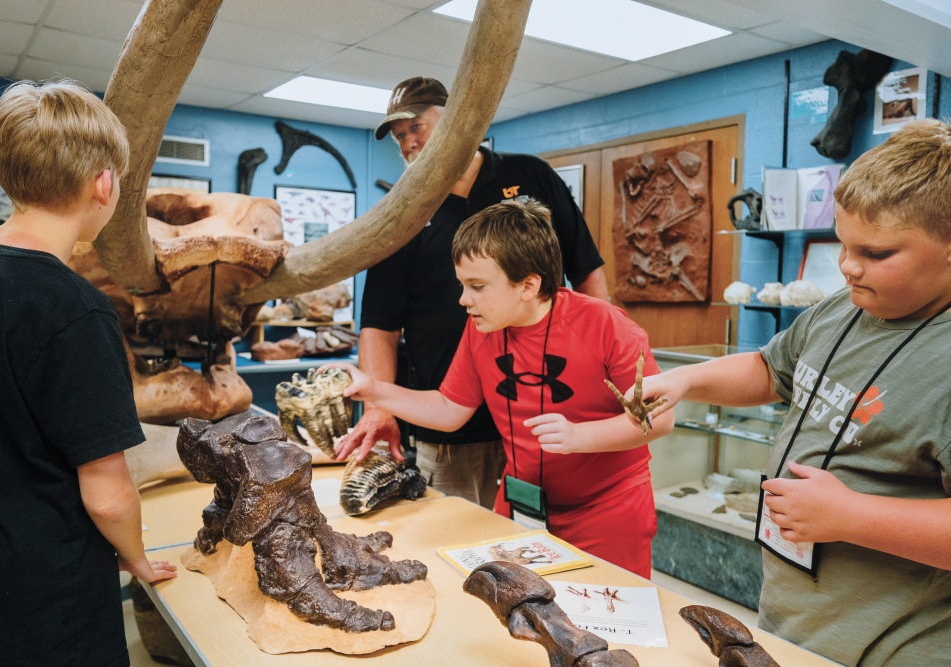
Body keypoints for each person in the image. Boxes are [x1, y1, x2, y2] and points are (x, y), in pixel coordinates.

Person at [625, 119, 951, 666]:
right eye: (843, 245)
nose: (848, 266)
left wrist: (852, 517)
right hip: (800, 617)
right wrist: (686, 379)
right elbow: (770, 369)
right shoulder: (841, 306)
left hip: (896, 643)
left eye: (875, 253)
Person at [0, 80, 177, 666]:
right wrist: (137, 557)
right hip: (48, 604)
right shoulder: (76, 308)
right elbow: (106, 492)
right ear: (104, 183)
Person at [331, 199, 673, 577]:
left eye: (477, 286)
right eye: (462, 285)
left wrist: (579, 435)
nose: (464, 300)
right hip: (523, 503)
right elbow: (448, 409)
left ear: (528, 285)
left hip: (608, 509)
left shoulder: (606, 326)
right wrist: (374, 390)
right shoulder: (481, 330)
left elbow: (659, 420)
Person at [336, 76, 609, 510]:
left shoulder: (530, 175)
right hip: (449, 424)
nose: (407, 143)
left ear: (457, 120)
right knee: (454, 548)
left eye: (416, 128)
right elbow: (380, 323)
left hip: (544, 413)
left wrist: (604, 362)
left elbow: (586, 270)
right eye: (399, 136)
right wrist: (379, 408)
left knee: (548, 550)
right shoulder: (400, 212)